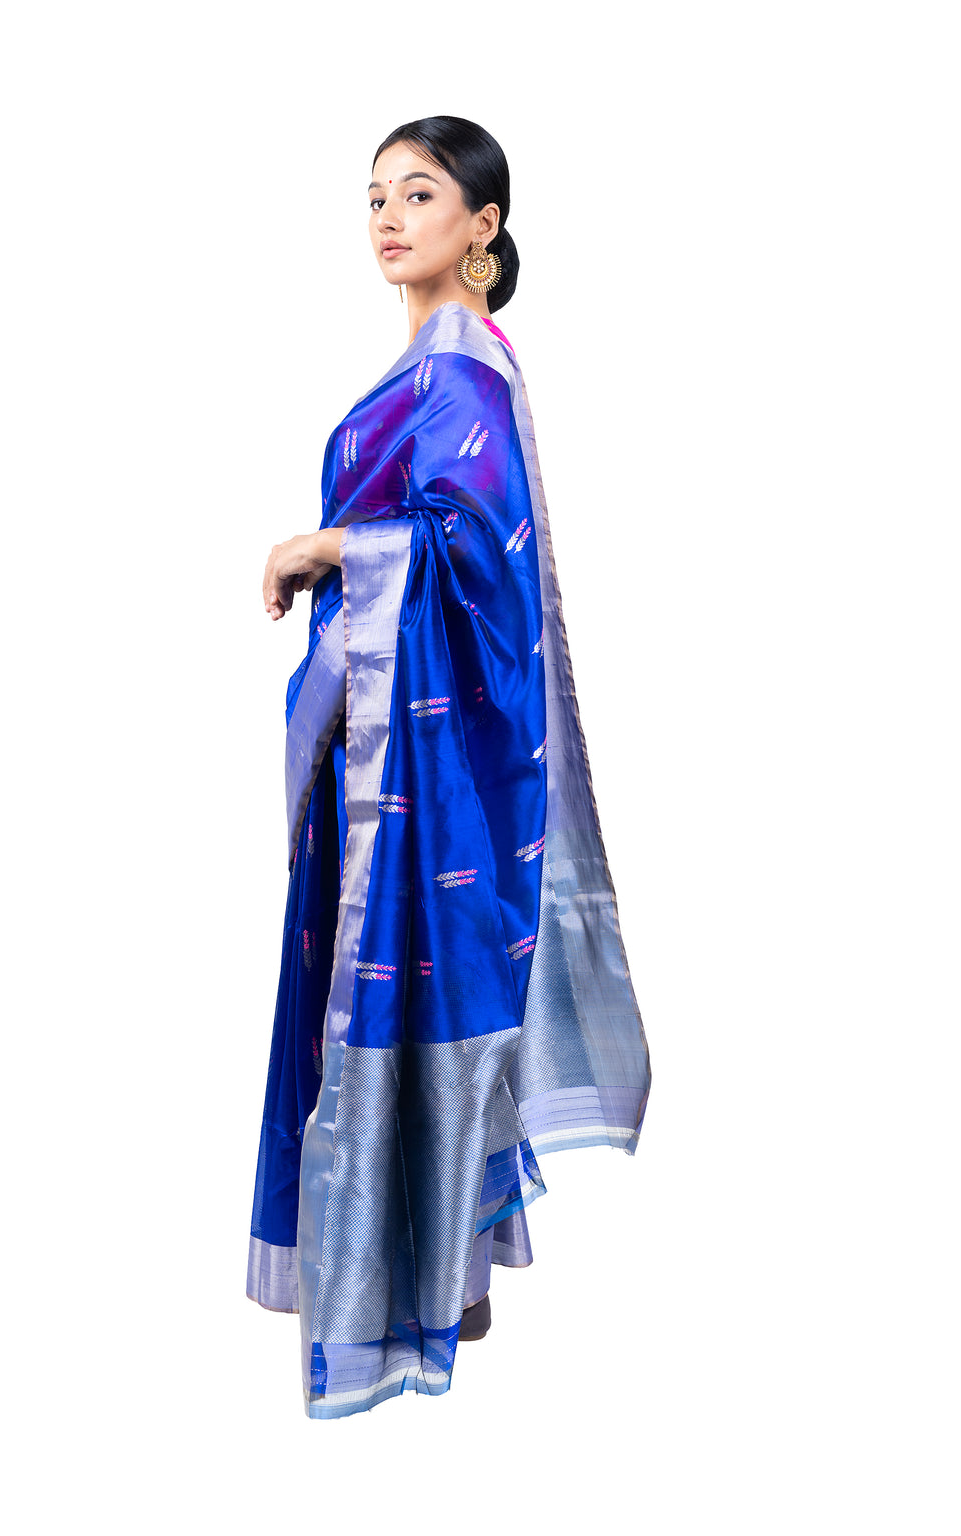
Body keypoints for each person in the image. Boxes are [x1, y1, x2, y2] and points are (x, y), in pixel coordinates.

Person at [247, 116, 651, 1420]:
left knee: (416, 991)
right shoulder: (426, 373)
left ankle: (433, 1275)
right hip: (381, 752)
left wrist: (328, 553)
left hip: (426, 769)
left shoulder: (461, 380)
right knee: (391, 992)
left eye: (419, 193)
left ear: (482, 224)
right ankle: (433, 1268)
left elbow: (474, 564)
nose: (388, 216)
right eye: (374, 195)